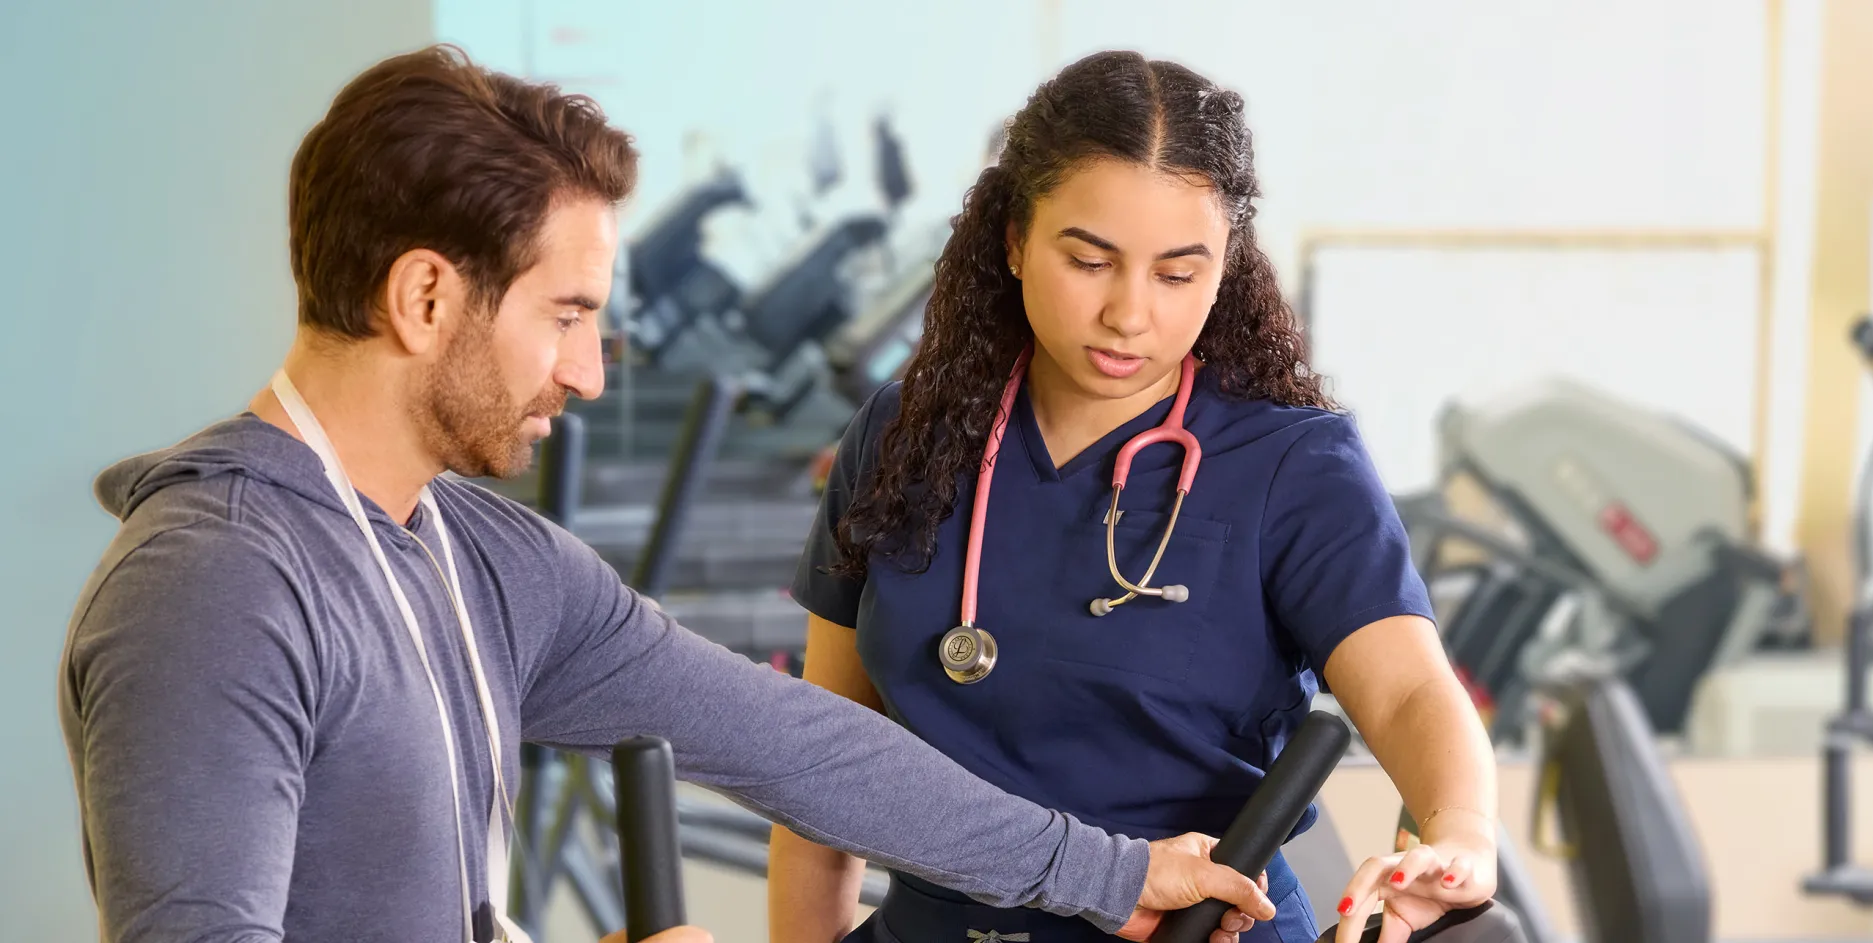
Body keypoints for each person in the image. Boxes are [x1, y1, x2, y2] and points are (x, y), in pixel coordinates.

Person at [54, 45, 1274, 943]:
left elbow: (797, 747)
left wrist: (1108, 872)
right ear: (426, 299)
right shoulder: (216, 586)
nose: (588, 372)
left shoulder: (477, 556)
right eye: (567, 316)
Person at [769, 50, 1504, 943]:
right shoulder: (903, 433)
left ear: (1224, 264)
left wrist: (1461, 835)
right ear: (1014, 240)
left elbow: (1407, 691)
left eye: (1176, 273)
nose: (1129, 313)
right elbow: (827, 758)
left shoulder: (1292, 463)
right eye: (1090, 260)